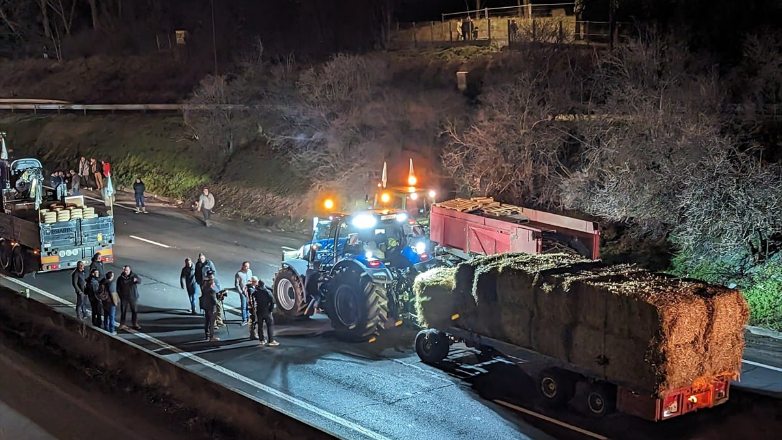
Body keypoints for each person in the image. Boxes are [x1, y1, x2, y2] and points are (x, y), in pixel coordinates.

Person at [250, 277, 278, 346]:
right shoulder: (267, 292)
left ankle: (261, 340)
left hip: (259, 311)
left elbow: (252, 299)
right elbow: (272, 301)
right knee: (270, 325)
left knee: (260, 326)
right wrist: (271, 310)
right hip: (267, 311)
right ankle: (271, 340)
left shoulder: (256, 292)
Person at [117, 265, 142, 330]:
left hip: (133, 297)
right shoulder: (120, 278)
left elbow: (139, 281)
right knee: (123, 311)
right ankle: (122, 324)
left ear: (130, 270)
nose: (126, 271)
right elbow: (118, 288)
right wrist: (121, 296)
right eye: (125, 270)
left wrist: (137, 280)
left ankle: (135, 324)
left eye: (127, 270)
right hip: (124, 298)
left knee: (134, 311)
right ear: (123, 270)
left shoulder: (134, 276)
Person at [201, 275, 220, 341]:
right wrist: (218, 300)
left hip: (206, 306)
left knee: (207, 321)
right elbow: (214, 300)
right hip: (211, 307)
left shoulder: (204, 287)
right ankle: (211, 337)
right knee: (212, 323)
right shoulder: (212, 290)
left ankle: (207, 335)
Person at [234, 261, 253, 326]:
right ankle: (244, 319)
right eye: (246, 266)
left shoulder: (250, 271)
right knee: (244, 306)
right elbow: (236, 285)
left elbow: (251, 279)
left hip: (249, 291)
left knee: (249, 305)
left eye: (248, 266)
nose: (248, 268)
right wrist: (241, 292)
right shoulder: (239, 274)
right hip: (243, 292)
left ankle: (248, 318)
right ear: (243, 266)